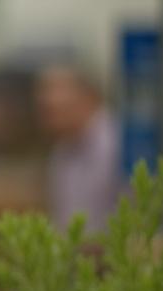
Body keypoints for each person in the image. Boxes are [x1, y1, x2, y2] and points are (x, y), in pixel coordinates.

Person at [36, 63, 122, 233]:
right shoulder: (62, 150)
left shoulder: (115, 143)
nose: (46, 100)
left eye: (55, 107)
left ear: (88, 96)